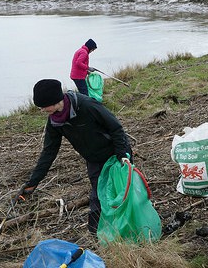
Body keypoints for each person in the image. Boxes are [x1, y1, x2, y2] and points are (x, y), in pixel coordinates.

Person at [17, 79, 133, 234]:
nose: (43, 109)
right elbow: (49, 152)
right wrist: (34, 181)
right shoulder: (55, 121)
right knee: (98, 195)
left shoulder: (87, 105)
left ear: (55, 100)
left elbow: (116, 128)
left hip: (116, 154)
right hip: (93, 159)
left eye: (44, 106)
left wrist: (123, 154)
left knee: (123, 191)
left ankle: (131, 227)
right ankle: (97, 234)